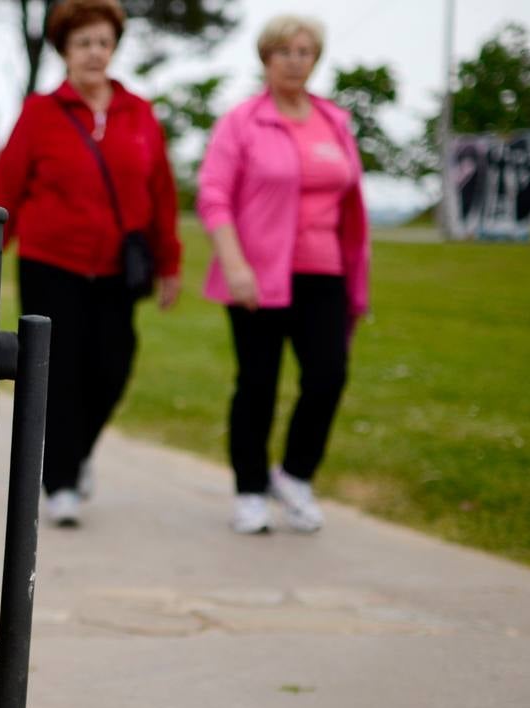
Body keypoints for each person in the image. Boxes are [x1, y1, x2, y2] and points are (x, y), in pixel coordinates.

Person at [0, 0, 181, 527]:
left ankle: (79, 453)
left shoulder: (139, 112)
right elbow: (7, 188)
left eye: (103, 42)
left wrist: (170, 262)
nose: (95, 53)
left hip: (119, 268)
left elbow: (160, 190)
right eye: (83, 43)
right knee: (61, 374)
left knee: (113, 367)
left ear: (114, 48)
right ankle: (61, 481)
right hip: (52, 264)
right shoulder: (41, 113)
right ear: (65, 52)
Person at [196, 14, 370, 535]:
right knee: (257, 385)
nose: (296, 60)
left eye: (305, 51)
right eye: (285, 51)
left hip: (325, 273)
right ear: (266, 58)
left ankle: (294, 476)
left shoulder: (334, 122)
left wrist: (356, 285)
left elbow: (350, 204)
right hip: (257, 277)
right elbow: (213, 195)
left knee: (328, 376)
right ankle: (250, 491)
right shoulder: (243, 122)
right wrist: (234, 263)